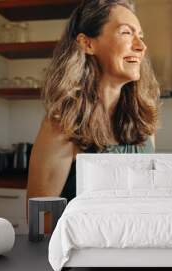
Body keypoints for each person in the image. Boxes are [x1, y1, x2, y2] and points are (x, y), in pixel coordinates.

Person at [27, 0, 160, 204]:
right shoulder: (62, 125)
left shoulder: (144, 119)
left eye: (141, 36)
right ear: (88, 43)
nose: (141, 46)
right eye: (126, 33)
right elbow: (42, 222)